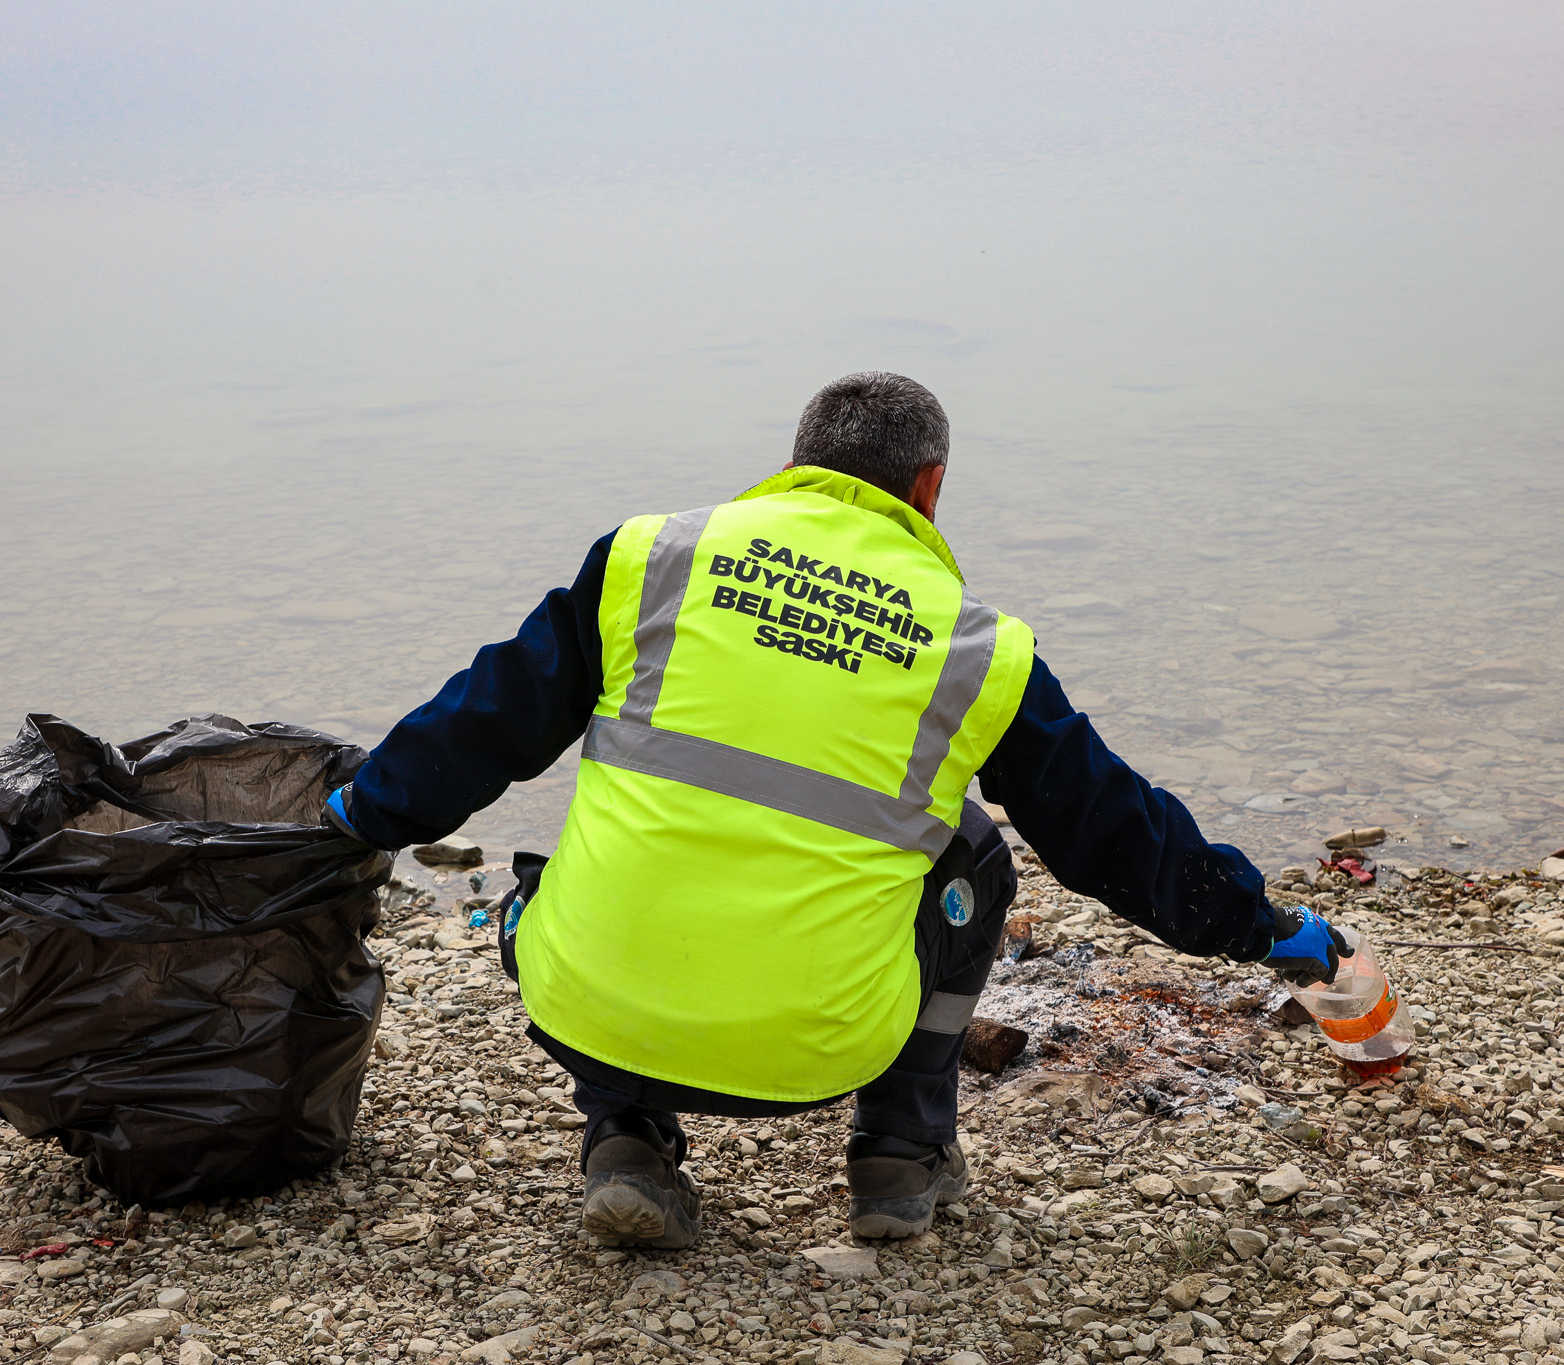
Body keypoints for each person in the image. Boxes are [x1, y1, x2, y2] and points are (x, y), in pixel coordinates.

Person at [323, 372, 1352, 1248]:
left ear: (793, 465)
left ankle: (623, 1136)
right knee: (976, 853)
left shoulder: (651, 559)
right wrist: (1257, 927)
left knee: (617, 824)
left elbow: (477, 726)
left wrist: (350, 825)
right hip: (819, 1046)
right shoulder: (971, 646)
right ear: (929, 487)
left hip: (584, 1010)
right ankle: (900, 1155)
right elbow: (1112, 832)